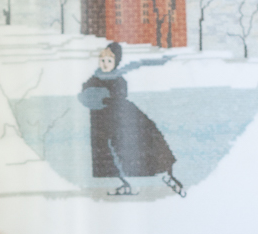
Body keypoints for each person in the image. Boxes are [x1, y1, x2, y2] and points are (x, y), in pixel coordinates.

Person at [78, 42, 185, 197]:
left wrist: (106, 98)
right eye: (102, 60)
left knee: (135, 143)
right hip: (100, 121)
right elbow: (84, 93)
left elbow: (120, 93)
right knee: (106, 152)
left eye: (109, 61)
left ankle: (162, 173)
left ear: (116, 62)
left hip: (118, 118)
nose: (105, 64)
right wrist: (94, 97)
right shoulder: (94, 78)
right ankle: (121, 183)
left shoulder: (117, 79)